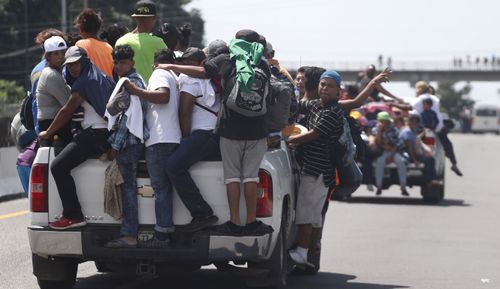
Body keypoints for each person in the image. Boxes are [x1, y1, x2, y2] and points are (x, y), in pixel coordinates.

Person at [154, 30, 274, 236]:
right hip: (257, 131)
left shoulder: (225, 59)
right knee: (251, 178)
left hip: (229, 130)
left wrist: (171, 66)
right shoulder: (263, 64)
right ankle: (252, 222)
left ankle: (234, 222)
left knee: (232, 178)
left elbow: (202, 72)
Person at [40, 46, 115, 230]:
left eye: (76, 63)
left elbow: (67, 110)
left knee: (58, 167)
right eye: (70, 65)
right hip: (104, 134)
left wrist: (48, 132)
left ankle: (73, 215)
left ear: (85, 60)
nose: (73, 68)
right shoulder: (100, 75)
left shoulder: (83, 83)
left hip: (96, 134)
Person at [286, 70, 344, 266]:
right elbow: (298, 103)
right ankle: (310, 253)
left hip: (317, 170)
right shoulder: (317, 104)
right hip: (316, 168)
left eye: (329, 86)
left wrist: (287, 139)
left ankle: (302, 252)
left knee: (305, 213)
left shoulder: (332, 111)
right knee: (315, 215)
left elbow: (314, 134)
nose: (325, 88)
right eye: (322, 84)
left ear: (338, 91)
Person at [124, 48, 180, 247]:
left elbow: (162, 97)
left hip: (159, 140)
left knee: (160, 189)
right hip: (172, 138)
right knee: (165, 187)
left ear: (156, 63)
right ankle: (166, 230)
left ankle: (162, 234)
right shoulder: (175, 77)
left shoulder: (159, 74)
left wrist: (137, 91)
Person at [165, 47, 220, 232]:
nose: (185, 65)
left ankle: (202, 213)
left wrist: (184, 139)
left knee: (173, 166)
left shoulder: (190, 81)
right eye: (184, 61)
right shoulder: (209, 79)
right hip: (214, 133)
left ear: (200, 64)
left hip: (203, 133)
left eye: (189, 62)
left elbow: (185, 113)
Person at [104, 45, 149, 248]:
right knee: (128, 186)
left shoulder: (130, 83)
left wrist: (114, 145)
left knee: (128, 188)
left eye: (123, 62)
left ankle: (129, 233)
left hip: (128, 143)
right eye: (116, 62)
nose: (119, 66)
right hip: (134, 142)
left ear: (132, 62)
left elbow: (125, 119)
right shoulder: (134, 80)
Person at [412, 81, 463, 176]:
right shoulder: (435, 99)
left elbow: (413, 113)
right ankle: (454, 163)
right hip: (437, 128)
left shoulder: (418, 99)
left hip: (421, 128)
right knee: (447, 144)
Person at [115, 0, 167, 83]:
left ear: (135, 18)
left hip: (125, 92)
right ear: (154, 18)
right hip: (149, 93)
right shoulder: (158, 43)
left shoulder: (120, 41)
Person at [36, 36, 72, 146]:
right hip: (52, 125)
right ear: (48, 57)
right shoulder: (51, 75)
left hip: (55, 123)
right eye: (56, 54)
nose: (61, 56)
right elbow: (69, 103)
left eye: (63, 52)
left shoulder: (56, 72)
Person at [373, 111, 408, 196]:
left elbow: (398, 143)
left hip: (394, 151)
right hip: (383, 152)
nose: (382, 122)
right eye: (381, 121)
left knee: (401, 161)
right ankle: (379, 187)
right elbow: (377, 142)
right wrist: (379, 131)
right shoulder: (376, 129)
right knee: (379, 162)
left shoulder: (394, 130)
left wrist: (391, 156)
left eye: (384, 120)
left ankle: (403, 186)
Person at [400, 114, 440, 186]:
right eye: (412, 122)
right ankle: (430, 180)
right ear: (409, 122)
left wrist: (423, 133)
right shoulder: (407, 132)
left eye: (416, 122)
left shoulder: (413, 131)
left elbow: (416, 139)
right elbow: (410, 148)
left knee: (431, 159)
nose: (414, 124)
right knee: (428, 160)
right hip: (407, 153)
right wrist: (415, 160)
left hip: (413, 152)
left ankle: (432, 179)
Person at [74, 8, 114, 78]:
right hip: (109, 87)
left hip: (90, 88)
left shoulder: (80, 45)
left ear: (81, 28)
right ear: (98, 27)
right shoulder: (108, 47)